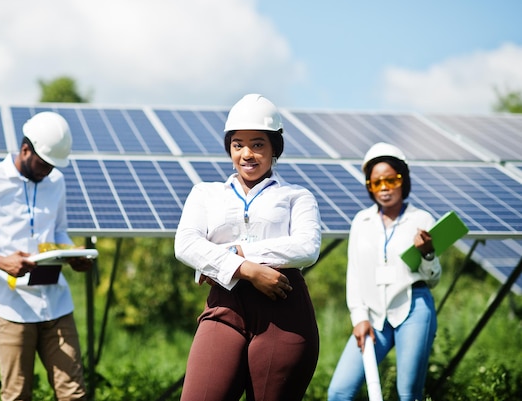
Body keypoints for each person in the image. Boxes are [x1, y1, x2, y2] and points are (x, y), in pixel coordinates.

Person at [174, 94, 322, 401]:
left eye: (258, 144)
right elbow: (186, 244)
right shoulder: (205, 193)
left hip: (283, 309)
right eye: (238, 144)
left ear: (274, 149)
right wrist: (249, 270)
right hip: (225, 305)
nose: (247, 154)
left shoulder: (297, 196)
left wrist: (239, 253)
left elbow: (307, 247)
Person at [0, 111, 93, 401]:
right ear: (25, 149)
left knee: (74, 394)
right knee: (17, 395)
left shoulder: (57, 182)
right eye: (43, 164)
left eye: (53, 165)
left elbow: (58, 232)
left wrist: (71, 253)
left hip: (56, 303)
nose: (48, 171)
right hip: (9, 306)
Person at [327, 142, 442, 401]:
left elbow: (433, 278)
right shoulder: (361, 221)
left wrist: (428, 253)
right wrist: (359, 317)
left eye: (391, 180)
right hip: (372, 316)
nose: (384, 188)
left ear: (404, 179)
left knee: (408, 392)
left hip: (413, 308)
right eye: (376, 183)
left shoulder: (421, 219)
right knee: (339, 391)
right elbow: (354, 274)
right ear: (369, 186)